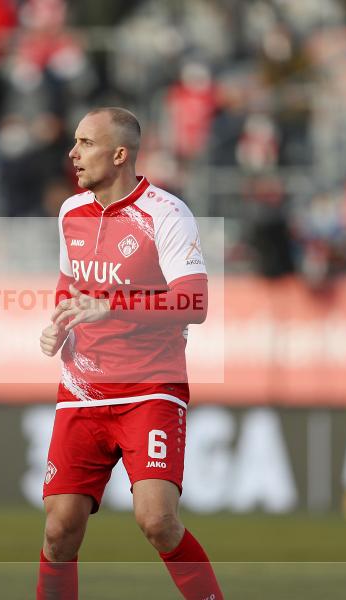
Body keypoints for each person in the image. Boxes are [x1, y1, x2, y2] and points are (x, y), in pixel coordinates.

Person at [37, 107, 224, 600]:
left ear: (119, 154)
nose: (73, 154)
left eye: (85, 143)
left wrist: (111, 307)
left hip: (150, 386)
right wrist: (60, 323)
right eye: (74, 142)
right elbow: (68, 285)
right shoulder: (70, 212)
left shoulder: (166, 213)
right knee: (59, 529)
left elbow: (195, 303)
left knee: (158, 520)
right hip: (81, 388)